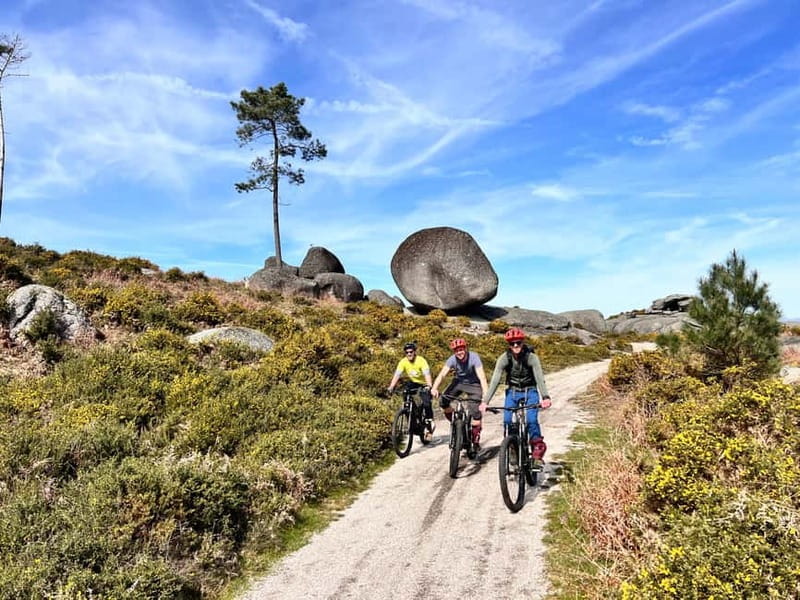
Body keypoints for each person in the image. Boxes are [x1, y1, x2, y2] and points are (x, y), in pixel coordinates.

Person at [482, 327, 552, 462]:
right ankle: (513, 446)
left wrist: (545, 397)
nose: (515, 346)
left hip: (530, 391)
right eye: (512, 343)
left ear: (522, 342)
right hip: (512, 392)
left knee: (531, 420)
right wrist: (485, 401)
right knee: (507, 420)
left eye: (518, 342)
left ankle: (537, 449)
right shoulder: (504, 358)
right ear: (508, 345)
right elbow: (495, 380)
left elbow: (539, 378)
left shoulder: (531, 357)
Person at [431, 338, 489, 449]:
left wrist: (486, 397)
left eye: (461, 350)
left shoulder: (474, 358)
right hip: (459, 382)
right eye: (456, 351)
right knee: (443, 401)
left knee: (475, 410)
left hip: (474, 384)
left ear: (465, 349)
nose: (459, 353)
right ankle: (456, 423)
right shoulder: (452, 359)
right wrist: (434, 388)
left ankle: (475, 438)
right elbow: (442, 375)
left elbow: (482, 377)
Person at [387, 341, 435, 436]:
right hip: (414, 382)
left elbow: (427, 374)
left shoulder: (421, 361)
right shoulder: (403, 362)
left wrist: (429, 386)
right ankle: (411, 415)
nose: (409, 354)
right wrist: (391, 387)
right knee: (405, 393)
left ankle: (429, 420)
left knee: (426, 400)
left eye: (411, 352)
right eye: (407, 352)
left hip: (424, 383)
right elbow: (397, 374)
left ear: (414, 352)